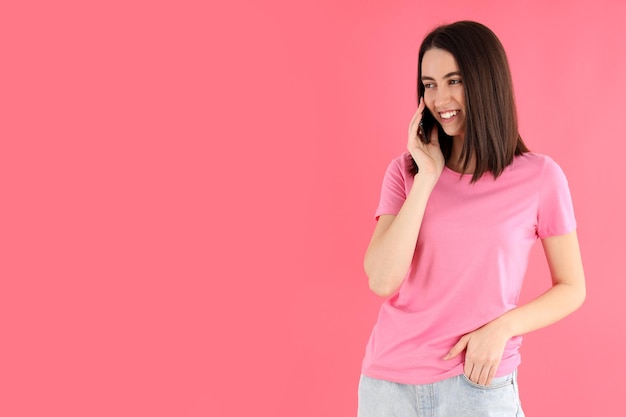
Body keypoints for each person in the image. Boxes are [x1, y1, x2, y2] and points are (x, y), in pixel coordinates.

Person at [358, 21, 586, 417]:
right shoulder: (405, 173)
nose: (439, 98)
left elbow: (572, 287)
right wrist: (428, 178)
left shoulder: (539, 177)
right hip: (388, 387)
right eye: (428, 84)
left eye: (454, 81)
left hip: (477, 383)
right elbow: (381, 279)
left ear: (485, 81)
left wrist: (502, 328)